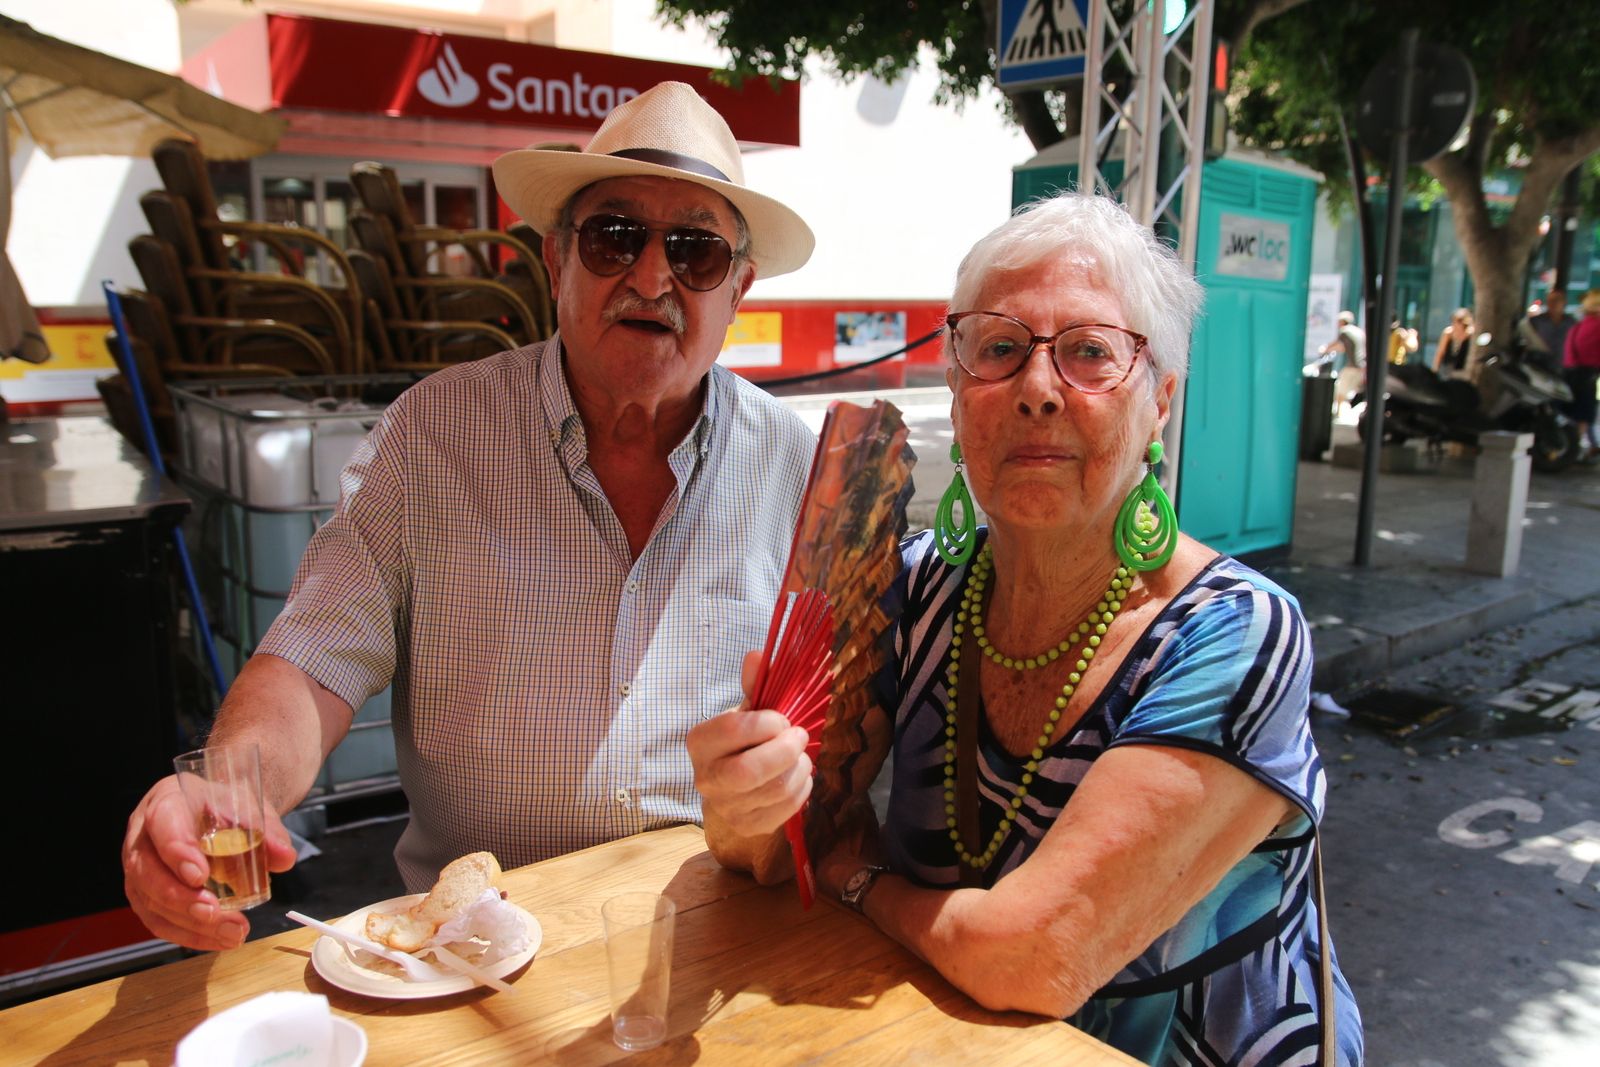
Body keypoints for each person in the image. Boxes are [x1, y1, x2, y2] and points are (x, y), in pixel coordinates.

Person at [121, 81, 819, 951]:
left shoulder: (796, 469)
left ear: (738, 286)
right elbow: (311, 660)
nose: (651, 275)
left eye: (695, 252)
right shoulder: (435, 434)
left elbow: (835, 736)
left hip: (714, 944)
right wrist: (229, 790)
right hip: (470, 955)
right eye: (613, 237)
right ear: (557, 259)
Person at [691, 193, 1363, 1065]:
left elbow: (1032, 956)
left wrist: (861, 882)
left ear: (1160, 401)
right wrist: (744, 805)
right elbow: (785, 844)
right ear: (958, 386)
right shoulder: (918, 583)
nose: (1038, 390)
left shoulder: (1237, 634)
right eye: (1000, 349)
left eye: (1089, 352)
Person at [1563, 289, 1600, 459]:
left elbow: (1569, 354)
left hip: (1573, 373)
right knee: (1584, 414)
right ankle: (1576, 448)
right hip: (1588, 375)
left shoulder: (1578, 326)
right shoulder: (1595, 327)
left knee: (1577, 413)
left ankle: (1587, 445)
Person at [1525, 289, 1576, 373]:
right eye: (1551, 301)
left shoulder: (1571, 323)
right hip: (1540, 366)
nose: (1554, 304)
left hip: (1563, 368)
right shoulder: (1536, 321)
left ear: (1564, 303)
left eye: (1557, 301)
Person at [1432, 308, 1474, 376]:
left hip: (1462, 368)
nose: (1454, 324)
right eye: (1453, 321)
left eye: (1457, 322)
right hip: (1447, 367)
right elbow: (1440, 352)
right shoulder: (1448, 333)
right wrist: (1435, 369)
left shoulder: (1470, 335)